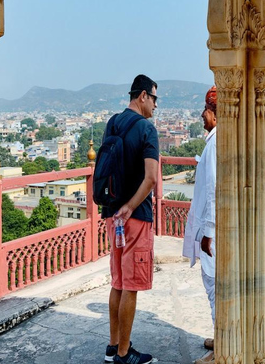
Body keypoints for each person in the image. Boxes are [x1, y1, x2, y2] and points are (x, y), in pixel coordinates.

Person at [103, 74, 160, 364]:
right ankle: (124, 354)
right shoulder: (146, 129)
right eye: (154, 99)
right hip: (135, 217)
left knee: (118, 281)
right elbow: (151, 179)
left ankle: (113, 345)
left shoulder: (112, 122)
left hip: (112, 216)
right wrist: (131, 205)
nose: (155, 105)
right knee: (132, 285)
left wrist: (119, 207)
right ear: (142, 96)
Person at [182, 86, 218, 364]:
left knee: (213, 283)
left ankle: (221, 349)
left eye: (205, 110)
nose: (202, 116)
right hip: (213, 226)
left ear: (215, 114)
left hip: (213, 230)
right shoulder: (216, 141)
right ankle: (221, 337)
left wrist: (207, 233)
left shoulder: (216, 143)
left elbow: (213, 190)